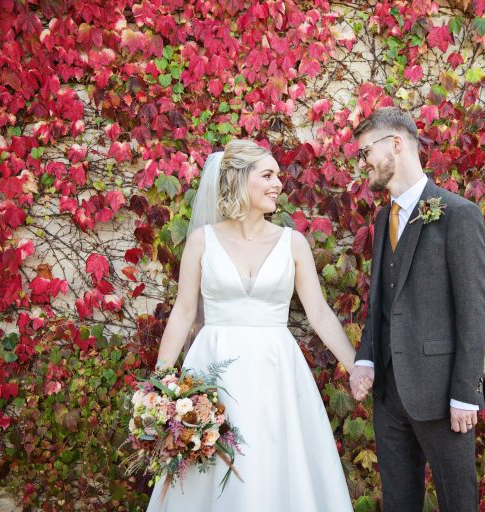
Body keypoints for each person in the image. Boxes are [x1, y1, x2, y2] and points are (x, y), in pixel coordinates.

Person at [147, 139, 355, 512]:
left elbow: (319, 313)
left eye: (278, 175)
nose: (279, 184)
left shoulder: (293, 243)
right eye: (268, 175)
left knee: (273, 464)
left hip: (277, 373)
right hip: (214, 374)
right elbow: (183, 313)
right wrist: (160, 385)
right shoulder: (201, 242)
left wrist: (356, 366)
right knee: (212, 471)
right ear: (241, 180)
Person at [348, 107, 485, 512]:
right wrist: (366, 358)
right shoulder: (381, 218)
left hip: (443, 395)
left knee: (458, 501)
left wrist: (466, 393)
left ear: (396, 144)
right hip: (389, 396)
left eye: (365, 152)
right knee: (398, 502)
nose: (363, 163)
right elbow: (380, 303)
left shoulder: (457, 214)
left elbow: (474, 310)